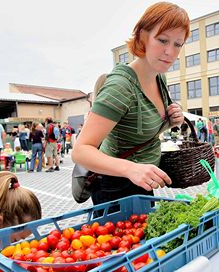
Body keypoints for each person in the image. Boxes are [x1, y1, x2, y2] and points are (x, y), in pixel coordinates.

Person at [72, 2, 188, 205]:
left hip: (143, 180)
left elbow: (136, 130)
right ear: (143, 36)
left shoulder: (159, 77)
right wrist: (131, 168)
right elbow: (80, 151)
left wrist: (170, 121)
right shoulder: (120, 86)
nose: (170, 51)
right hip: (115, 187)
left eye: (177, 44)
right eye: (162, 40)